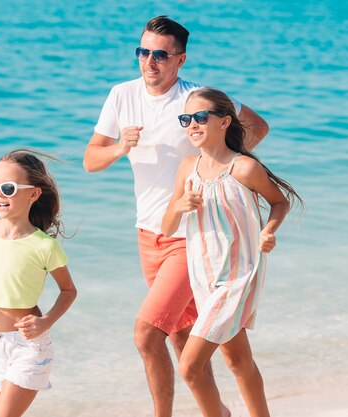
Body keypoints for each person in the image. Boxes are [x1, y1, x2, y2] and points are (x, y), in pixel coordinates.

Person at [83, 15, 269, 417]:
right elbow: (90, 161)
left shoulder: (195, 100)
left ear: (180, 60)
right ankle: (219, 412)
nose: (150, 62)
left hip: (194, 236)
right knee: (188, 339)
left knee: (148, 334)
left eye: (161, 55)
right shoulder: (121, 95)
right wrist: (119, 148)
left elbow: (258, 125)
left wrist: (222, 162)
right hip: (149, 234)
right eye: (143, 52)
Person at [161, 87, 303, 417]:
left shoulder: (243, 169)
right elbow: (167, 226)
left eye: (200, 117)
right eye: (186, 119)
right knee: (238, 360)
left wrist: (269, 231)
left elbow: (280, 201)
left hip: (237, 278)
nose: (192, 124)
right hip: (204, 277)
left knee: (190, 367)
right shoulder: (186, 168)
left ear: (225, 122)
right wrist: (180, 206)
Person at [0, 149, 77, 417]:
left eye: (8, 188)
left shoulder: (43, 245)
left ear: (33, 194)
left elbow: (68, 291)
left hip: (28, 346)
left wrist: (46, 321)